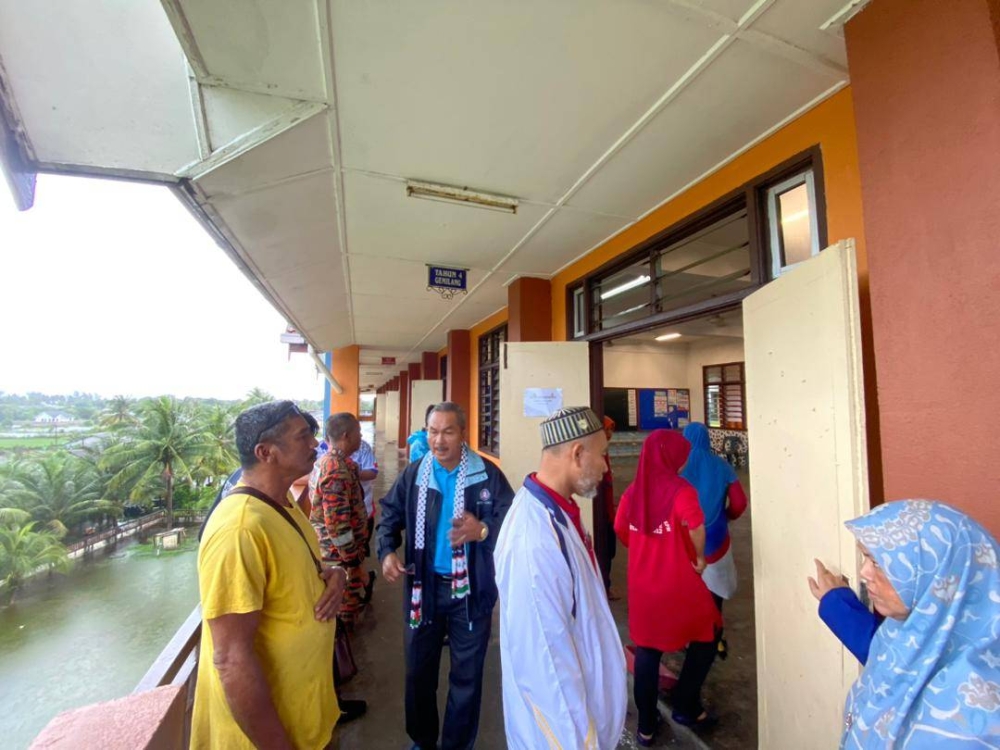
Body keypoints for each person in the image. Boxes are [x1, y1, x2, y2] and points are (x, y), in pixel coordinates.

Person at [191, 400, 347, 749]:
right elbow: (231, 659)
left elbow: (293, 570)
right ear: (266, 452)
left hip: (303, 718)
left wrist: (334, 574)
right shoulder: (240, 528)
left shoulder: (281, 504)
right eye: (303, 436)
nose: (315, 444)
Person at [377, 401, 514, 750]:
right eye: (432, 431)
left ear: (462, 433)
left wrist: (482, 530)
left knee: (466, 677)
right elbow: (390, 513)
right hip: (424, 590)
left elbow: (512, 521)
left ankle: (456, 745)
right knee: (418, 673)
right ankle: (423, 740)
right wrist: (387, 550)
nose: (439, 440)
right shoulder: (416, 473)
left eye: (448, 431)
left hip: (471, 593)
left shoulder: (486, 474)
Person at [811, 500, 1000, 748]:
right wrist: (838, 604)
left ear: (939, 574)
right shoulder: (901, 631)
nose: (864, 572)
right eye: (865, 557)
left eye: (877, 562)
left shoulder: (972, 724)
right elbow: (905, 658)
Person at [494, 406, 627, 749]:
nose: (605, 467)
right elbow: (546, 666)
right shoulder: (534, 541)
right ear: (578, 454)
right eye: (602, 455)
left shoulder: (558, 511)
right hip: (562, 735)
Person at [615, 430, 721, 743]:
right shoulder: (680, 489)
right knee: (710, 631)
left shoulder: (634, 492)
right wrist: (699, 557)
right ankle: (686, 703)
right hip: (678, 583)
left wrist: (644, 549)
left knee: (648, 650)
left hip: (643, 586)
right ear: (670, 455)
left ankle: (646, 726)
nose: (686, 457)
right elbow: (696, 526)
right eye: (681, 452)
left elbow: (621, 528)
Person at [681, 421, 748, 657]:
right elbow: (739, 502)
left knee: (686, 592)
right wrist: (727, 517)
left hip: (683, 545)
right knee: (714, 595)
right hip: (716, 542)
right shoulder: (722, 466)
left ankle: (686, 638)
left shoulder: (678, 467)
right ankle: (714, 640)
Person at [310, 413, 370, 629]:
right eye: (359, 433)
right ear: (347, 435)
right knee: (343, 615)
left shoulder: (327, 463)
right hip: (339, 558)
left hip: (338, 554)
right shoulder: (336, 470)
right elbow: (337, 524)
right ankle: (342, 657)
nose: (361, 437)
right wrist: (354, 562)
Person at [350, 435, 379, 603]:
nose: (360, 436)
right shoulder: (322, 450)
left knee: (356, 556)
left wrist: (352, 472)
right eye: (356, 432)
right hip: (335, 521)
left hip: (363, 514)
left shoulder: (363, 448)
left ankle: (358, 589)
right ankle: (365, 579)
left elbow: (373, 472)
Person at [597, 415, 620, 598]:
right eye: (607, 429)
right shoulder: (598, 453)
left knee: (610, 550)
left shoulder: (605, 452)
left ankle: (606, 585)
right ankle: (605, 587)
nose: (610, 433)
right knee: (606, 549)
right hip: (603, 513)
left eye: (611, 429)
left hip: (609, 510)